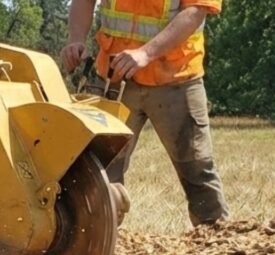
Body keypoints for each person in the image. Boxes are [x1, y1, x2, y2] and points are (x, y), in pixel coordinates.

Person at [61, 0, 230, 226]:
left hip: (176, 79)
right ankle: (88, 247)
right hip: (114, 78)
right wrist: (76, 39)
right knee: (96, 172)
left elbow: (195, 11)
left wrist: (146, 53)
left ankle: (220, 248)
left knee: (198, 171)